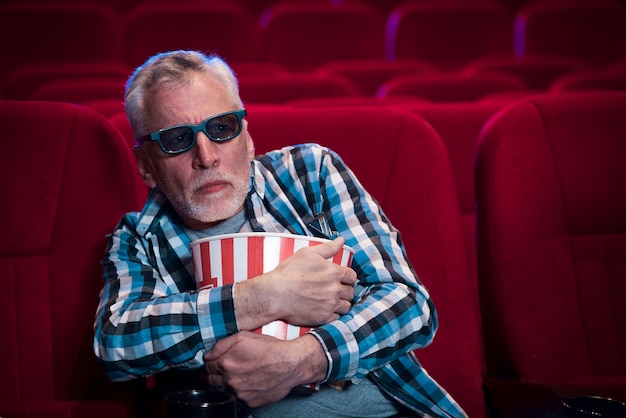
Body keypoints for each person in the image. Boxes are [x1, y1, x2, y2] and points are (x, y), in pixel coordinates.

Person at [93, 50, 466, 418]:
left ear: (248, 139)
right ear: (146, 165)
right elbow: (116, 345)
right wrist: (264, 296)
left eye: (221, 129)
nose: (206, 156)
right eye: (177, 140)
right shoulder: (135, 240)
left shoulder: (311, 172)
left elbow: (410, 305)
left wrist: (304, 360)